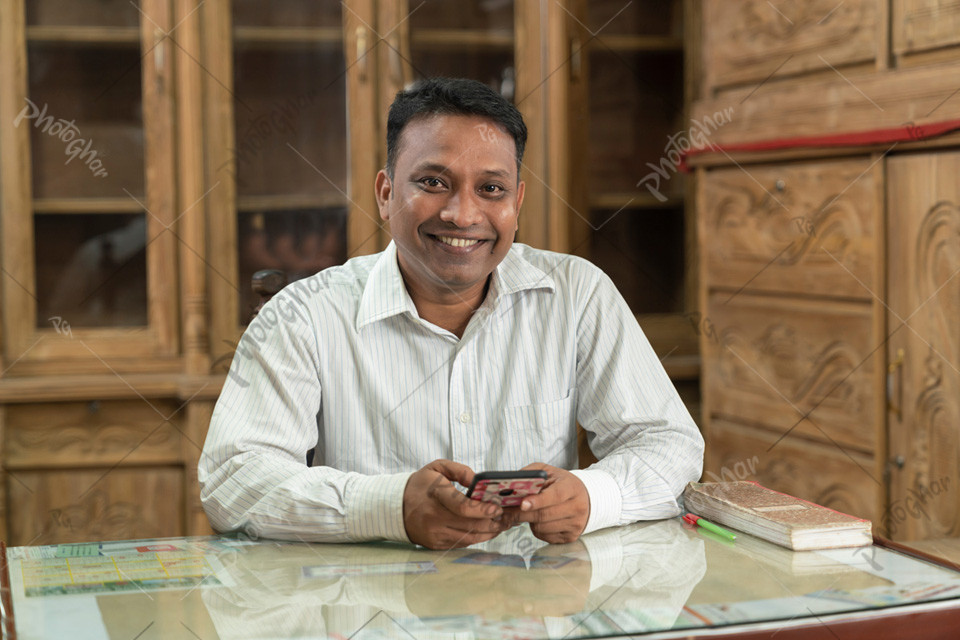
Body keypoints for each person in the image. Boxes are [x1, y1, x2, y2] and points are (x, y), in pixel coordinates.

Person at [199, 77, 704, 550]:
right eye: (434, 182)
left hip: (532, 608)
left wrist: (595, 496)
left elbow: (670, 445)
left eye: (491, 189)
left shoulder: (577, 294)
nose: (463, 215)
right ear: (385, 193)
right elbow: (233, 478)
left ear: (517, 202)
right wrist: (389, 507)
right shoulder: (302, 316)